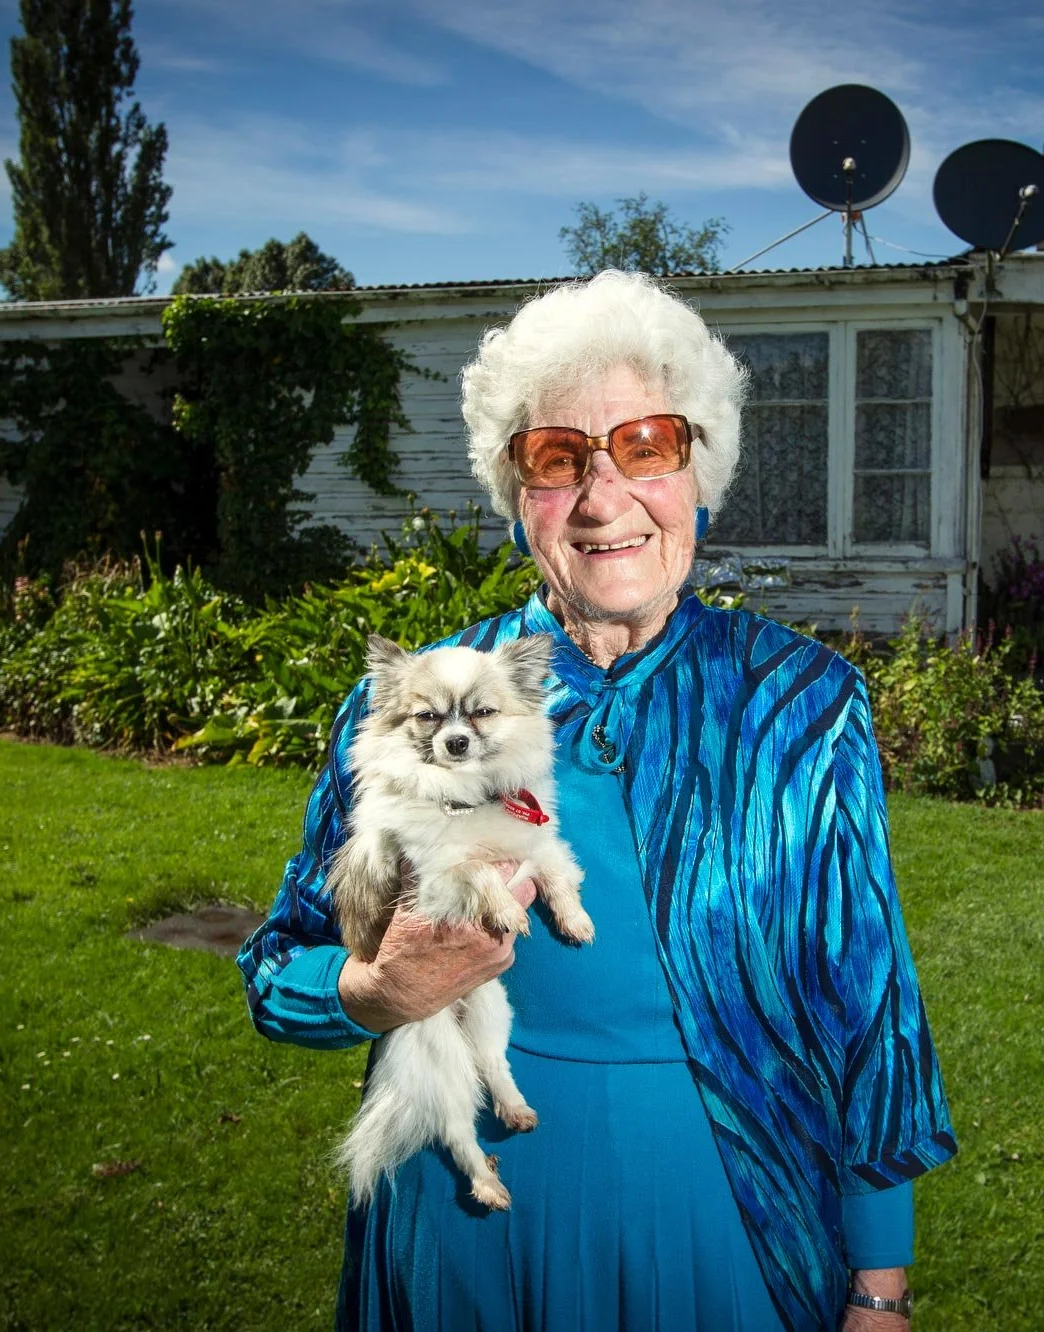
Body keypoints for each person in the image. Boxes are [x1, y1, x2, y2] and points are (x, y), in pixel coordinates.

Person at [238, 270, 955, 1331]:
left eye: (647, 445)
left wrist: (878, 1282)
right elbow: (275, 966)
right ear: (515, 492)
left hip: (720, 1223)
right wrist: (367, 993)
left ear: (699, 470)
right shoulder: (403, 705)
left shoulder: (804, 708)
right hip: (462, 1220)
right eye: (557, 457)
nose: (603, 496)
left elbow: (864, 999)